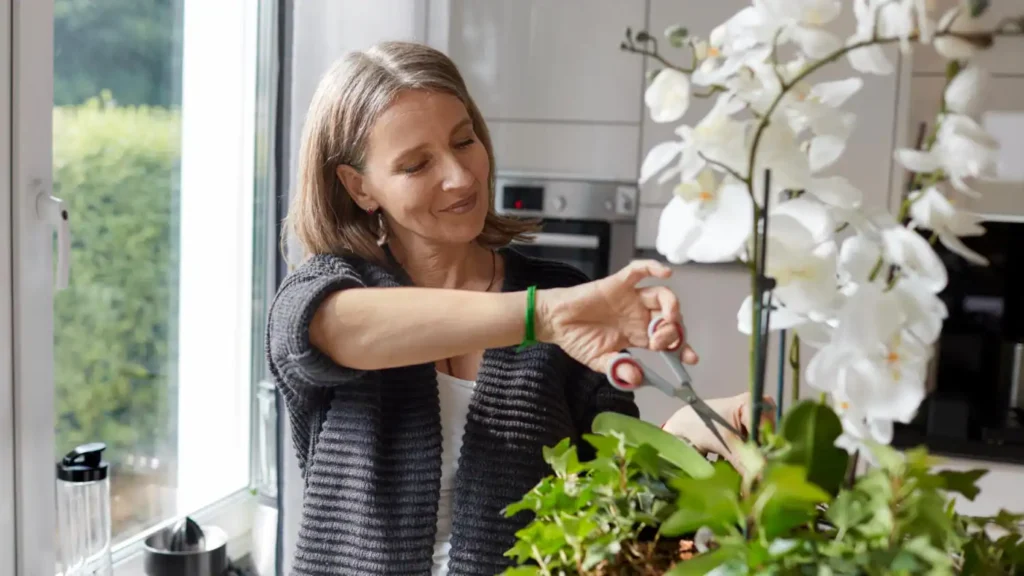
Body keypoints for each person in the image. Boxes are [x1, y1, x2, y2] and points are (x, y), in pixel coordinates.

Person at [267, 40, 765, 576]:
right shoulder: (322, 294)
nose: (460, 177)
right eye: (416, 165)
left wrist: (685, 434)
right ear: (359, 186)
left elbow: (612, 502)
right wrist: (542, 317)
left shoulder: (565, 294)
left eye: (465, 141)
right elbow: (335, 330)